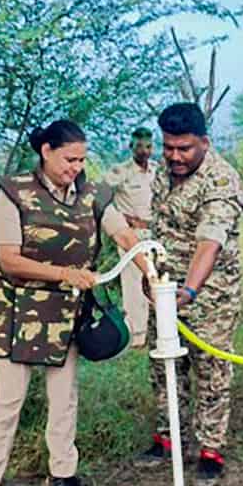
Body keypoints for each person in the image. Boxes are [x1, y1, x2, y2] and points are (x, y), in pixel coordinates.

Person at [0, 119, 147, 486]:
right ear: (46, 151)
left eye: (82, 160)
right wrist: (66, 274)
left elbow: (123, 234)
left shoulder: (91, 194)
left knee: (64, 397)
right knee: (8, 399)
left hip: (66, 314)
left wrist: (150, 270)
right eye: (69, 159)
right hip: (16, 313)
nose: (76, 167)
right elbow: (10, 259)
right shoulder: (13, 193)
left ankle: (63, 474)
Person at [136, 102, 243, 486]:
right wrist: (151, 273)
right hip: (166, 288)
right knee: (164, 364)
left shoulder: (221, 181)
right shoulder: (164, 173)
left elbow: (209, 243)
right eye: (168, 147)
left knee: (210, 371)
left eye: (184, 148)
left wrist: (189, 290)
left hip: (209, 294)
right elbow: (158, 226)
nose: (175, 156)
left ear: (204, 141)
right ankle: (168, 437)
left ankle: (211, 451)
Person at [102, 126, 157, 347]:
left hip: (155, 231)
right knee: (134, 283)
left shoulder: (156, 170)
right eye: (139, 146)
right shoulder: (121, 171)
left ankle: (157, 327)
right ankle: (136, 335)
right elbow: (101, 195)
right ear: (131, 147)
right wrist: (120, 217)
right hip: (131, 233)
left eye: (148, 146)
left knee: (156, 277)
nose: (144, 151)